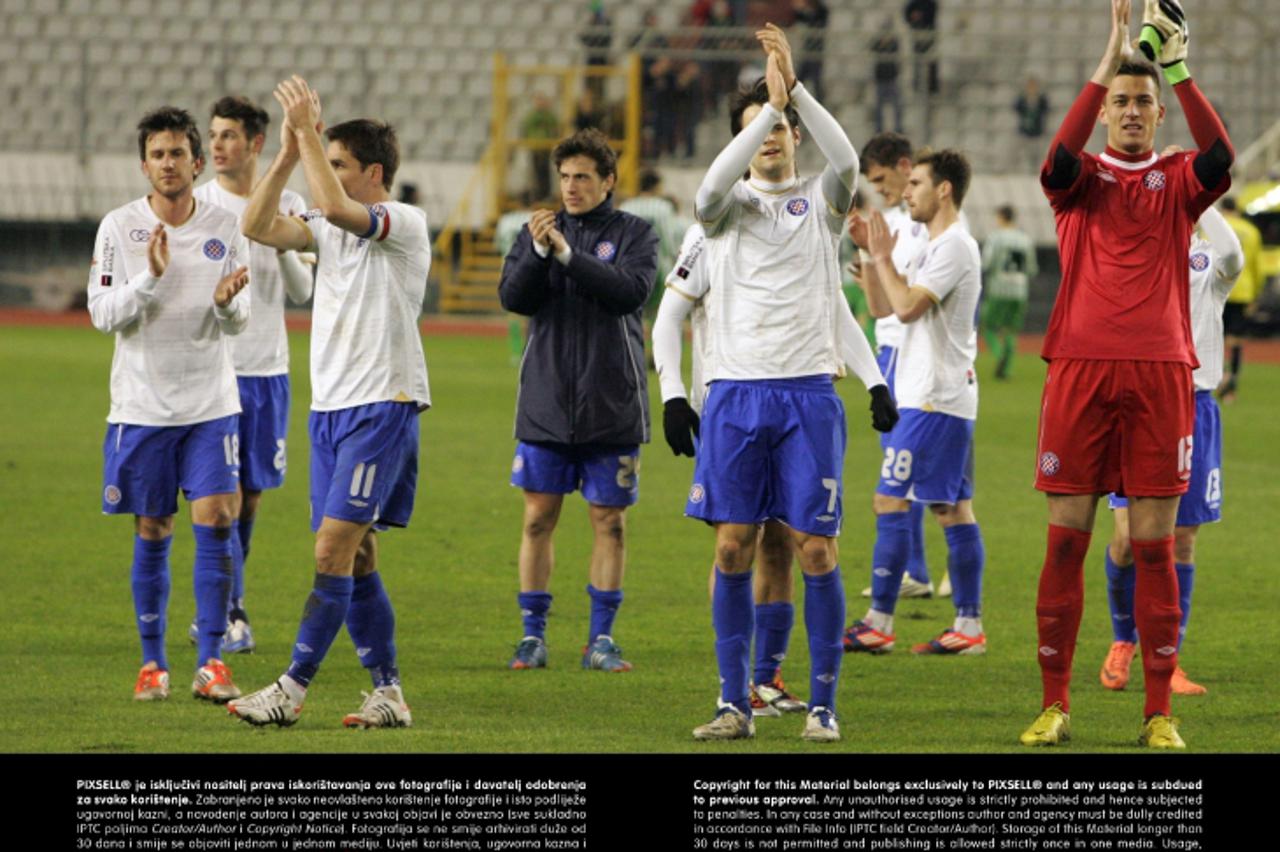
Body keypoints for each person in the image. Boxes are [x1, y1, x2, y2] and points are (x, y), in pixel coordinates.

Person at [1021, 0, 1232, 750]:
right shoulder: (1076, 181)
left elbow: (1222, 155)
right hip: (1078, 371)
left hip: (1161, 375)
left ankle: (1158, 714)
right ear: (1105, 110)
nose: (1134, 110)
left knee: (1154, 545)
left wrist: (1173, 67)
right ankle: (1054, 705)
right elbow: (1055, 153)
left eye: (1145, 102)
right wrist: (1111, 52)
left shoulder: (1178, 180)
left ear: (1159, 115)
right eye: (1122, 101)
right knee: (1067, 542)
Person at [684, 24, 880, 743]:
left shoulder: (821, 205)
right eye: (759, 130)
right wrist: (767, 108)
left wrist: (792, 91)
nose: (770, 138)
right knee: (732, 546)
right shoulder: (724, 210)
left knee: (817, 551)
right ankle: (734, 703)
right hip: (735, 393)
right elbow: (708, 185)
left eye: (781, 129)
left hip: (806, 396)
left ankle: (824, 706)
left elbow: (850, 159)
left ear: (797, 136)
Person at [228, 76, 431, 729]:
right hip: (331, 409)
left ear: (373, 173)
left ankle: (291, 688)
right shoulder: (328, 224)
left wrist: (310, 134)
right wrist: (288, 150)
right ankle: (389, 693)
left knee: (330, 551)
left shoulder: (402, 222)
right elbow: (255, 224)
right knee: (359, 554)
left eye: (340, 164)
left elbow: (337, 208)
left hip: (382, 402)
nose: (329, 175)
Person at [654, 215, 895, 718]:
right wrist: (675, 394)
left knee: (786, 542)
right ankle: (736, 686)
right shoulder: (710, 231)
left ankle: (767, 679)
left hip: (794, 400)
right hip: (729, 406)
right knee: (735, 543)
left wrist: (874, 380)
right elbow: (668, 313)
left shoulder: (805, 224)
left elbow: (833, 313)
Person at [89, 106, 251, 704]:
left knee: (217, 518)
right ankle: (152, 664)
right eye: (157, 154)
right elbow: (102, 313)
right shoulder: (118, 228)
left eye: (177, 153)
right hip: (141, 408)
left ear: (196, 162)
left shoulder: (224, 226)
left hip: (210, 403)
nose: (167, 164)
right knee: (154, 526)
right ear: (144, 164)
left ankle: (211, 661)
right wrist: (151, 279)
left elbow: (239, 318)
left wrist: (229, 302)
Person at [498, 128, 658, 674]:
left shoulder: (636, 233)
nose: (570, 187)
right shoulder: (536, 232)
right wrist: (543, 253)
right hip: (545, 402)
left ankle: (601, 640)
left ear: (608, 181)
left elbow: (628, 293)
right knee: (538, 518)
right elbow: (514, 298)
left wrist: (568, 256)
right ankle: (531, 636)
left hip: (612, 402)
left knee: (609, 521)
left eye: (583, 177)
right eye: (564, 177)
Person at [844, 149, 986, 657]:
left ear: (943, 189)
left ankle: (879, 621)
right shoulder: (928, 243)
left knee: (889, 499)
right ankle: (969, 628)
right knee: (951, 508)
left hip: (932, 399)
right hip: (937, 395)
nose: (907, 192)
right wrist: (867, 252)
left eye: (917, 184)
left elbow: (905, 309)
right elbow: (883, 306)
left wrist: (882, 258)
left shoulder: (954, 247)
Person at [1100, 199, 1242, 697]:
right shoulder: (1137, 253)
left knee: (1181, 540)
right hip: (1139, 404)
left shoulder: (1209, 261)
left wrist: (1195, 198)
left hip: (1195, 404)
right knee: (1127, 541)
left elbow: (1233, 252)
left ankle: (1168, 660)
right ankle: (1123, 641)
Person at [190, 95, 314, 655]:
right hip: (215, 371)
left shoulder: (288, 201)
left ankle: (225, 602)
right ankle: (228, 609)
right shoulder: (199, 205)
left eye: (229, 136)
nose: (217, 146)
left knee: (252, 494)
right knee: (223, 496)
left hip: (267, 370)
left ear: (256, 144)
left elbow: (302, 290)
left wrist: (277, 236)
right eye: (213, 135)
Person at [854, 133, 936, 599]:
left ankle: (918, 571)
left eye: (882, 179)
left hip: (912, 357)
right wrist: (870, 266)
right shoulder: (894, 222)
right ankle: (919, 571)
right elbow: (884, 302)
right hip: (891, 354)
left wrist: (882, 268)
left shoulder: (925, 225)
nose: (880, 190)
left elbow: (913, 293)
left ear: (905, 166)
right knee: (904, 468)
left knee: (905, 470)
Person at [980, 205, 1037, 380]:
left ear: (1001, 217)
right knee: (1011, 330)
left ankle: (999, 354)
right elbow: (1032, 269)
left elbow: (987, 263)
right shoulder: (1025, 239)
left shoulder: (995, 237)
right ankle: (1007, 369)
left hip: (999, 289)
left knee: (987, 326)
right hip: (1020, 291)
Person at [1216, 196, 1264, 402]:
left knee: (1216, 336)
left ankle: (1220, 377)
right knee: (1235, 339)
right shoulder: (1251, 231)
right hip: (1243, 290)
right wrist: (1255, 292)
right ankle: (1232, 386)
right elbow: (1256, 266)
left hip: (1219, 289)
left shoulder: (1215, 230)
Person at [619, 169, 684, 310]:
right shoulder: (663, 207)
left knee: (635, 313)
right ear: (657, 186)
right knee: (659, 312)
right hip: (659, 266)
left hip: (630, 268)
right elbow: (669, 240)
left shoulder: (625, 208)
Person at [1013, 77, 1051, 173]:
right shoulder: (1022, 99)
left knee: (1038, 154)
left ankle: (1038, 171)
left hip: (1038, 132)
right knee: (1020, 152)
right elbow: (1016, 109)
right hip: (1024, 132)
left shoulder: (1042, 100)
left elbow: (1046, 111)